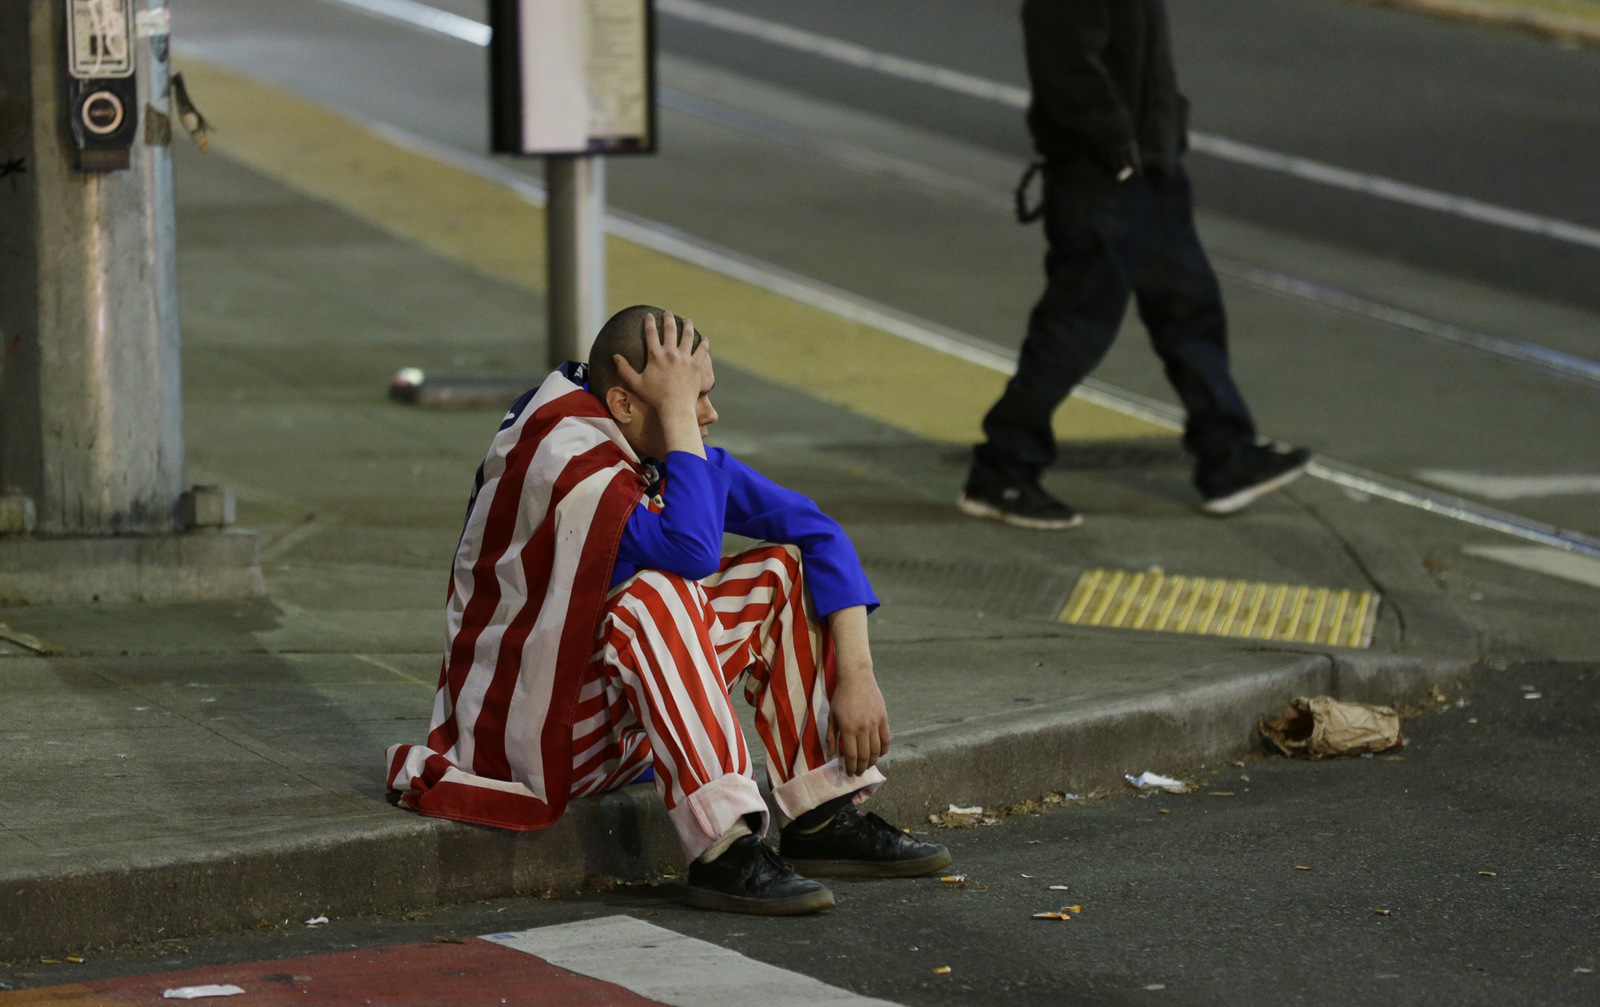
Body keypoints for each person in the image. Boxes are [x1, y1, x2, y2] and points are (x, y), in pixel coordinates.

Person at [387, 305, 950, 916]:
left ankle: (819, 814)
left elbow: (817, 531)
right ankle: (723, 847)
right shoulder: (566, 459)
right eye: (691, 398)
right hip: (530, 738)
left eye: (705, 395)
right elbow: (691, 551)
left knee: (781, 569)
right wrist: (680, 424)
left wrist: (859, 678)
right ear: (625, 405)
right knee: (656, 594)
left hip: (608, 724)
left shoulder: (648, 445)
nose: (707, 415)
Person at [959, 0, 1310, 530]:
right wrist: (1115, 142)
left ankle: (1227, 455)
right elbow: (1064, 59)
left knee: (1188, 308)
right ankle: (1000, 471)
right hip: (1105, 174)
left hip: (1150, 170)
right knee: (1076, 326)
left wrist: (1161, 136)